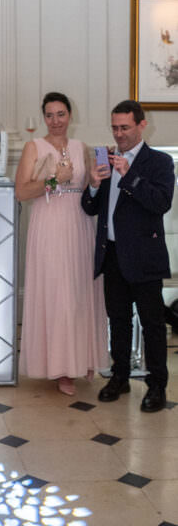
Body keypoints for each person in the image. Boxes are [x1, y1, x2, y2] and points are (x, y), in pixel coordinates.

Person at [82, 99, 175, 412]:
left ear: (141, 125)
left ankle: (157, 386)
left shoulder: (159, 162)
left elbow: (161, 203)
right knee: (118, 321)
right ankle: (119, 376)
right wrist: (94, 185)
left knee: (151, 325)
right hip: (112, 255)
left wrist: (131, 174)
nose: (118, 134)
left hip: (145, 257)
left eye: (124, 127)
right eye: (114, 127)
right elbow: (90, 208)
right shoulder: (106, 158)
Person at [15, 91, 107, 397]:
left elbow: (86, 192)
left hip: (80, 225)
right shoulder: (34, 147)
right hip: (49, 226)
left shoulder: (82, 148)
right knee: (57, 293)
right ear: (44, 118)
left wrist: (94, 183)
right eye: (50, 115)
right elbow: (22, 192)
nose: (55, 121)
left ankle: (83, 358)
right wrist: (54, 180)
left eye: (61, 114)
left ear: (70, 115)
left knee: (81, 291)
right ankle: (61, 367)